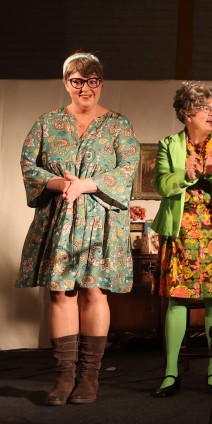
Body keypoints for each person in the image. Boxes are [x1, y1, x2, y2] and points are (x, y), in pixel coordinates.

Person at [16, 51, 140, 405]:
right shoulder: (47, 123)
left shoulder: (117, 125)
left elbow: (127, 168)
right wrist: (59, 183)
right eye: (77, 81)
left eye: (93, 81)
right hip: (59, 217)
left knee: (93, 291)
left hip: (101, 220)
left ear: (101, 83)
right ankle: (64, 376)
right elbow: (28, 164)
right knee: (60, 293)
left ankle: (89, 377)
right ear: (66, 83)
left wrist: (86, 184)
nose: (86, 88)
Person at [150, 81, 212, 397]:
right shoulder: (169, 145)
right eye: (206, 108)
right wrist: (185, 175)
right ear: (188, 112)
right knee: (177, 300)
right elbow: (162, 185)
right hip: (180, 233)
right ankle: (171, 373)